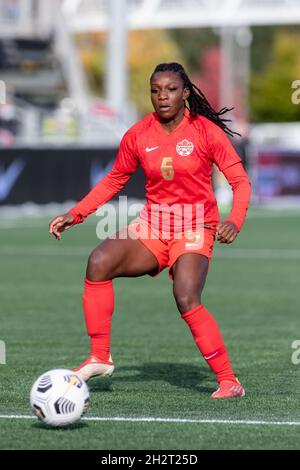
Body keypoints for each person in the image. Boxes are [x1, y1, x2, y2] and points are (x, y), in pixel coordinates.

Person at [49, 62, 251, 399]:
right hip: (153, 226)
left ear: (185, 93)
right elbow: (115, 179)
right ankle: (100, 357)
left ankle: (229, 381)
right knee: (99, 262)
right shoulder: (139, 134)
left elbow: (240, 182)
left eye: (171, 89)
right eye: (156, 90)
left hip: (195, 225)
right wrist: (77, 213)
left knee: (186, 297)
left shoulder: (205, 132)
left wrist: (234, 220)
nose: (163, 96)